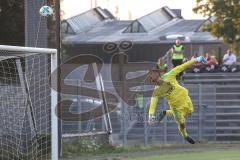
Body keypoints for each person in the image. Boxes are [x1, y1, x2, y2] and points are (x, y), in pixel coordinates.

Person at [147, 56, 207, 144]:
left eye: (154, 75)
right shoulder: (157, 90)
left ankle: (165, 112)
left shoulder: (169, 75)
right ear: (153, 81)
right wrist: (150, 115)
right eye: (152, 79)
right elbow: (153, 103)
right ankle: (185, 136)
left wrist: (195, 60)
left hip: (185, 98)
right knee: (182, 123)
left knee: (190, 112)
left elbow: (181, 67)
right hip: (175, 108)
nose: (154, 79)